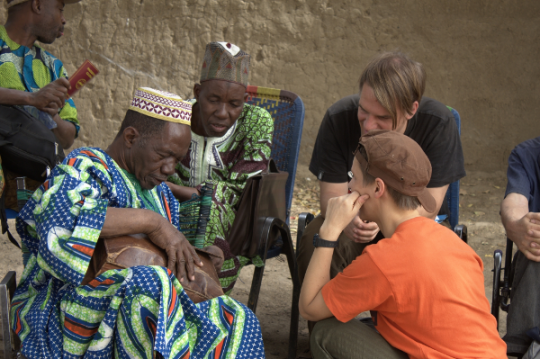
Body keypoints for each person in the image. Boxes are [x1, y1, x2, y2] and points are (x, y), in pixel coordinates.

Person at [10, 88, 265, 359]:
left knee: (237, 318)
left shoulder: (161, 194)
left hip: (150, 303)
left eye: (177, 160)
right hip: (69, 307)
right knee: (151, 285)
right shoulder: (86, 166)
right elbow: (60, 222)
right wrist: (152, 222)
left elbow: (152, 256)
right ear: (131, 137)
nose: (169, 169)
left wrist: (197, 260)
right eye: (163, 155)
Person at [296, 52, 466, 332]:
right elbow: (332, 198)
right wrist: (349, 221)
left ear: (412, 109)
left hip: (413, 224)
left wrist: (386, 218)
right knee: (315, 236)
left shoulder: (439, 123)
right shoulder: (339, 117)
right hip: (356, 217)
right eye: (364, 110)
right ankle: (326, 331)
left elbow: (431, 205)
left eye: (383, 116)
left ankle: (409, 336)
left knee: (441, 253)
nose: (369, 124)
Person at [299, 130, 506, 359]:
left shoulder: (383, 260)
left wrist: (329, 231)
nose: (349, 184)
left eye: (353, 176)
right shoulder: (456, 244)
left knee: (326, 333)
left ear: (378, 188)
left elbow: (310, 308)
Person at [167, 42, 274, 293]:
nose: (223, 112)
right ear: (197, 92)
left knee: (212, 202)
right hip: (173, 214)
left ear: (246, 100)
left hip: (234, 227)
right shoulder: (177, 117)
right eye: (213, 100)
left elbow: (240, 192)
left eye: (234, 104)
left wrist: (186, 192)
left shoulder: (256, 121)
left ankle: (202, 294)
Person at [0, 0, 81, 210]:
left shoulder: (53, 66)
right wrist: (30, 99)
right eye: (60, 8)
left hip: (26, 199)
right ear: (37, 5)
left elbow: (68, 137)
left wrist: (51, 114)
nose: (63, 19)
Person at [500, 136, 540, 355]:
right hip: (536, 263)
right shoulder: (527, 155)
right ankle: (521, 348)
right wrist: (518, 224)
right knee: (534, 242)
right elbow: (514, 201)